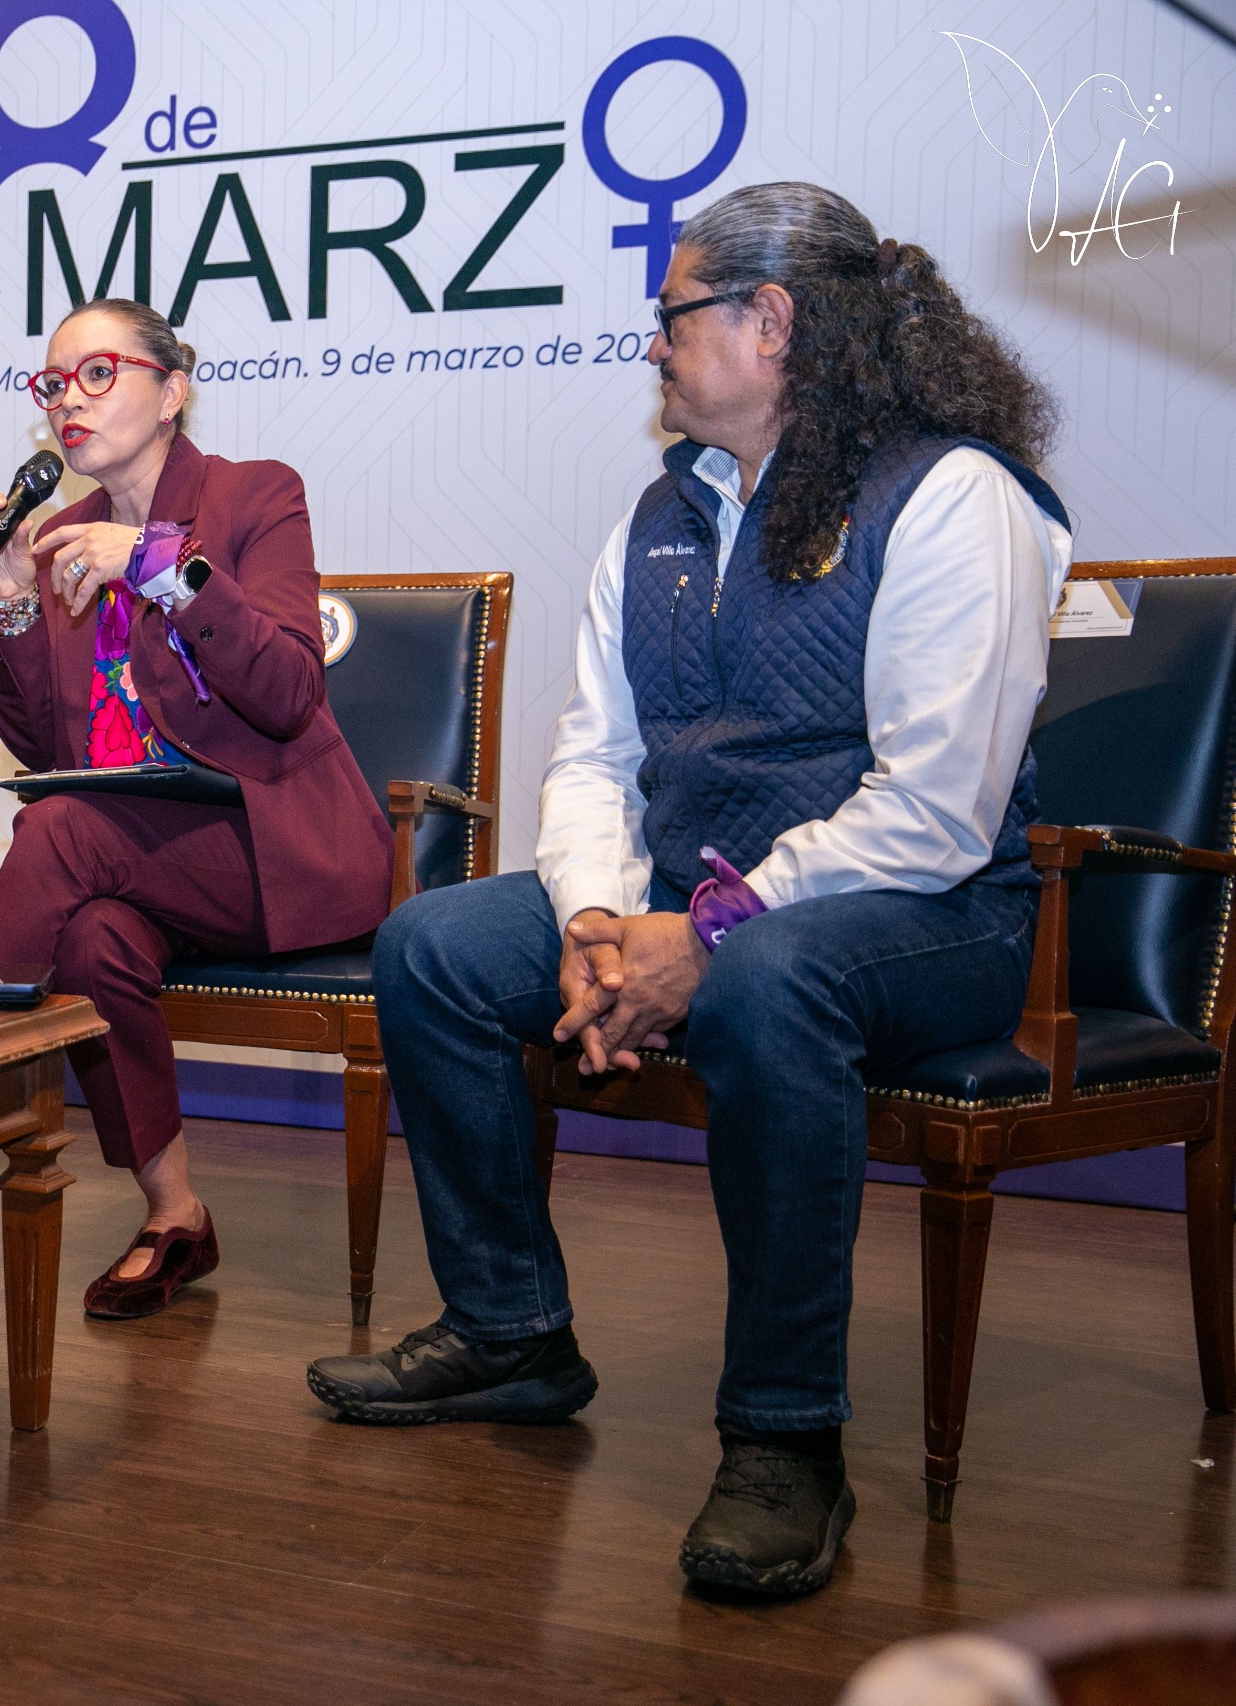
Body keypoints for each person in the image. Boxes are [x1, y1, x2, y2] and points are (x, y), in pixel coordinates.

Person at [310, 184, 1071, 1599]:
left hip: (933, 916)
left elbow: (935, 805)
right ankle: (513, 1330)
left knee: (776, 980)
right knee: (435, 946)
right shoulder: (659, 516)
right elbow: (595, 752)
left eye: (669, 316)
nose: (650, 348)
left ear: (771, 322)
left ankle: (786, 1436)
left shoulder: (955, 495)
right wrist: (602, 922)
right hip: (681, 894)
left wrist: (711, 928)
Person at [0, 297, 392, 1320]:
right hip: (138, 860)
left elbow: (288, 691)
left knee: (56, 828)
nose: (69, 398)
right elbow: (49, 746)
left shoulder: (253, 498)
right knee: (97, 940)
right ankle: (175, 1216)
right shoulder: (61, 530)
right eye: (53, 382)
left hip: (272, 851)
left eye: (97, 373)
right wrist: (16, 599)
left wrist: (156, 565)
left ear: (173, 390)